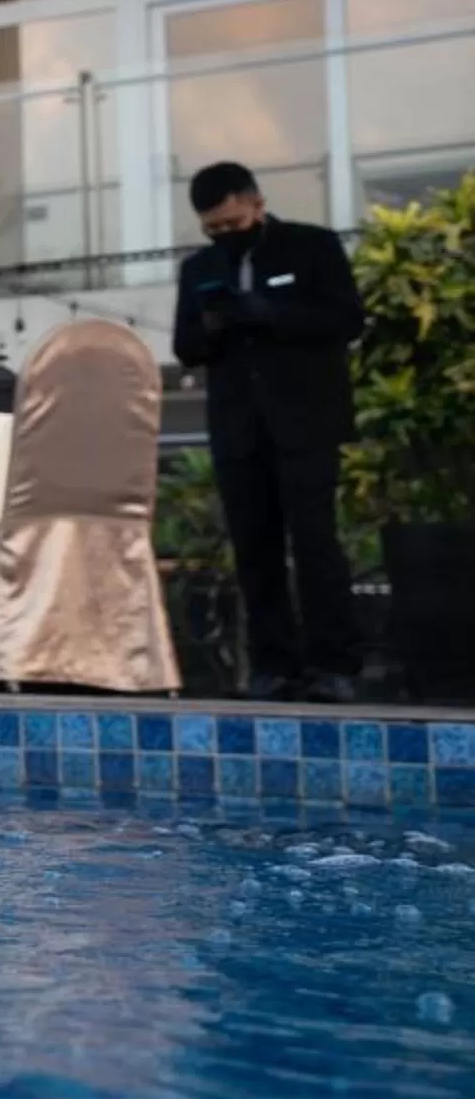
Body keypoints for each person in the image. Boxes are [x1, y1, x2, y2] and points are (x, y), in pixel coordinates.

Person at [172, 162, 366, 704]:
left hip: (305, 422)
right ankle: (273, 665)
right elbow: (186, 346)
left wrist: (267, 313)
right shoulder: (200, 269)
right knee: (255, 549)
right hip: (239, 427)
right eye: (214, 228)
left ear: (256, 203)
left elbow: (346, 319)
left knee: (315, 542)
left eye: (234, 223)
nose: (225, 236)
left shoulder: (312, 247)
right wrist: (215, 325)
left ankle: (335, 663)